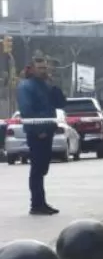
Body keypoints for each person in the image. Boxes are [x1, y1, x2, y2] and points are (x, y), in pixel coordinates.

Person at [17, 57, 65, 215]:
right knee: (37, 168)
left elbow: (60, 103)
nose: (44, 71)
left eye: (45, 68)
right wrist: (39, 130)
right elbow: (26, 111)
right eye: (40, 68)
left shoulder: (45, 85)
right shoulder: (26, 86)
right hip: (37, 133)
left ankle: (41, 202)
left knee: (43, 167)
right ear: (31, 69)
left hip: (48, 130)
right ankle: (36, 204)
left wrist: (54, 86)